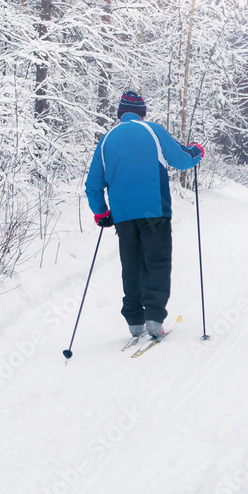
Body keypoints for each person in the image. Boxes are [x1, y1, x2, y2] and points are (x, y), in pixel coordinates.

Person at [85, 90, 204, 339]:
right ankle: (154, 318)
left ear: (120, 114)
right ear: (143, 113)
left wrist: (102, 212)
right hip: (154, 210)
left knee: (131, 266)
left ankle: (134, 322)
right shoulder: (153, 130)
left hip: (123, 215)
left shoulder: (106, 140)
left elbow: (93, 185)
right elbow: (181, 160)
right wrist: (196, 152)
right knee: (156, 262)